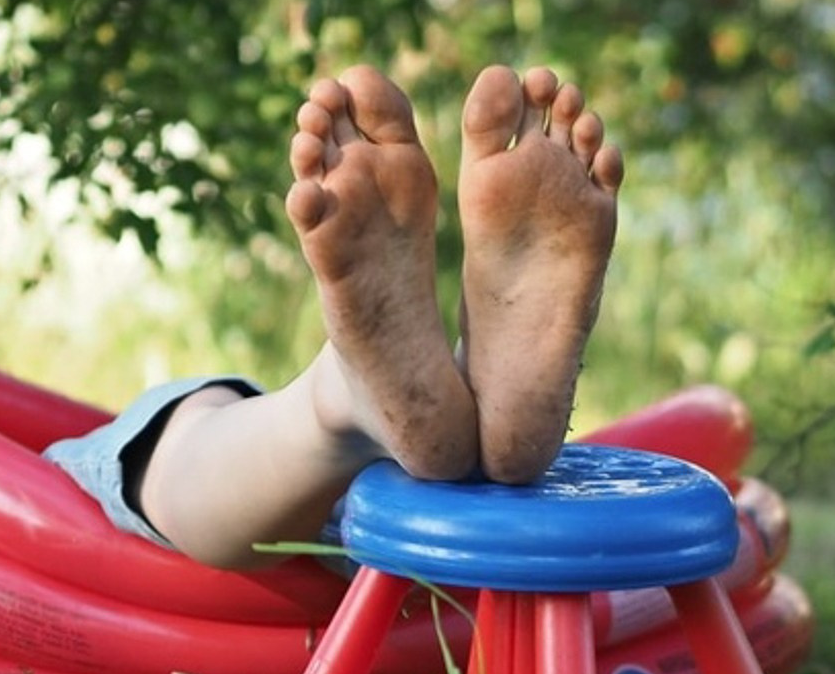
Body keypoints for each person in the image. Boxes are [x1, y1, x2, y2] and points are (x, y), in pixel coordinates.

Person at [44, 63, 625, 571]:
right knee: (217, 424)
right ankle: (431, 405)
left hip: (313, 516)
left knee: (174, 438)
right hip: (439, 551)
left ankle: (344, 404)